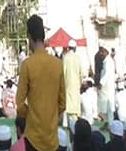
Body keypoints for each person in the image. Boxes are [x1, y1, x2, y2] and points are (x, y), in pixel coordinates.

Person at [18, 15, 65, 151]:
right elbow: (62, 103)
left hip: (33, 138)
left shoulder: (27, 65)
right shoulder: (57, 64)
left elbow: (20, 103)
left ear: (29, 36)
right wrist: (50, 116)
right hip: (52, 139)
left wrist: (31, 116)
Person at [62, 41, 82, 128]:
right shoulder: (78, 58)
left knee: (67, 104)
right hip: (76, 84)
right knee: (74, 104)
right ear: (75, 48)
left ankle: (66, 123)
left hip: (67, 83)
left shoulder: (65, 58)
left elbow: (63, 71)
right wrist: (80, 83)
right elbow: (81, 72)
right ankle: (72, 123)